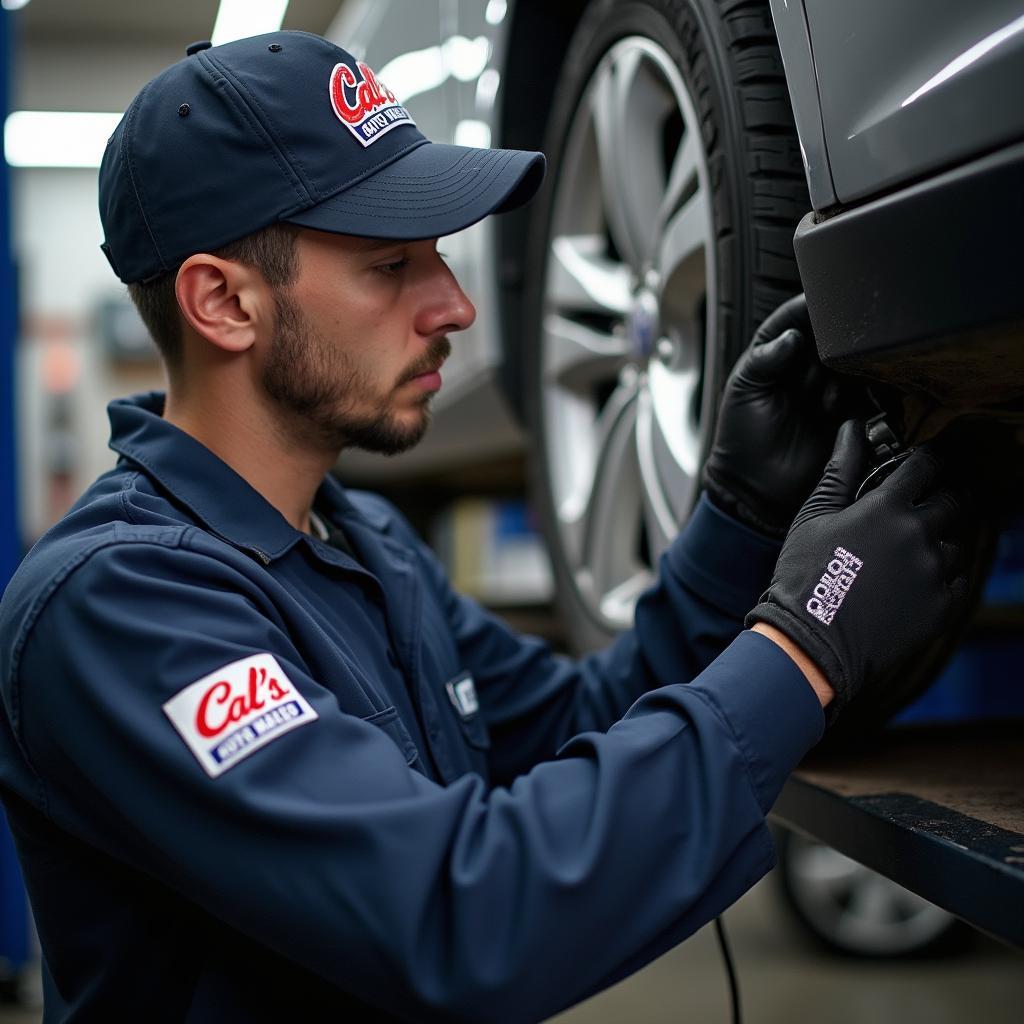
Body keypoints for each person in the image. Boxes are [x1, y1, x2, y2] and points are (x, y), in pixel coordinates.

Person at [0, 31, 974, 1023]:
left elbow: (572, 726)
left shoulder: (362, 541)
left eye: (438, 256)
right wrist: (805, 640)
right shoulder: (121, 606)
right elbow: (463, 918)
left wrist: (737, 517)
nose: (456, 304)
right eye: (390, 265)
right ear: (224, 302)